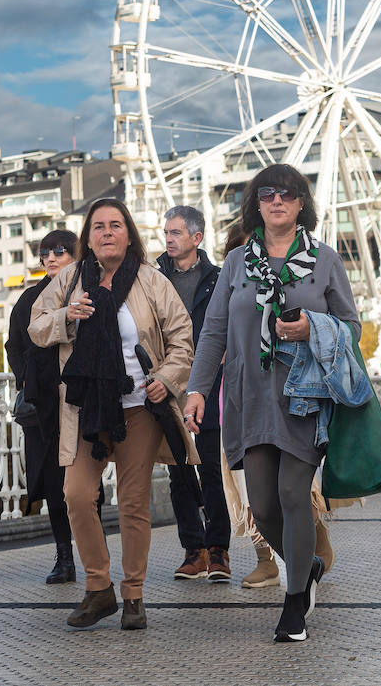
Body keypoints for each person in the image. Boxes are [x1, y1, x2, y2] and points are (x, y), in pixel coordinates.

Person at [182, 163, 360, 643]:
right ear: (255, 205)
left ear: (302, 203)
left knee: (291, 495)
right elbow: (214, 329)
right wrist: (197, 389)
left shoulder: (324, 260)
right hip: (249, 396)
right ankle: (310, 564)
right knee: (261, 506)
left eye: (287, 193)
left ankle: (294, 601)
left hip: (304, 396)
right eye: (267, 194)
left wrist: (312, 328)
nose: (277, 201)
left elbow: (351, 326)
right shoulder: (238, 262)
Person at [29, 198, 196, 632]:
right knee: (77, 495)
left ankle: (134, 595)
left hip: (139, 405)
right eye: (98, 226)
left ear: (129, 233)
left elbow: (182, 337)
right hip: (85, 407)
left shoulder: (150, 281)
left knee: (134, 502)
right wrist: (68, 315)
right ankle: (98, 587)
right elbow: (36, 326)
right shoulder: (68, 280)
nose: (106, 233)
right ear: (88, 235)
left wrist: (167, 377)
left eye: (115, 225)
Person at [157, 205, 230, 582]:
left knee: (212, 469)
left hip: (208, 385)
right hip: (168, 386)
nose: (168, 239)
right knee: (178, 470)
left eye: (176, 233)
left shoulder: (217, 280)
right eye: (166, 233)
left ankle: (219, 549)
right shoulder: (153, 279)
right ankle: (194, 550)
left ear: (196, 238)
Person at [6, 229, 80, 584]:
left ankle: (96, 556)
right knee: (53, 481)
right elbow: (13, 346)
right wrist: (25, 379)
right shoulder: (29, 300)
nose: (51, 257)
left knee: (83, 482)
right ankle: (64, 556)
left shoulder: (89, 293)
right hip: (43, 405)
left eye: (60, 251)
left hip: (80, 401)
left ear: (76, 256)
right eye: (45, 252)